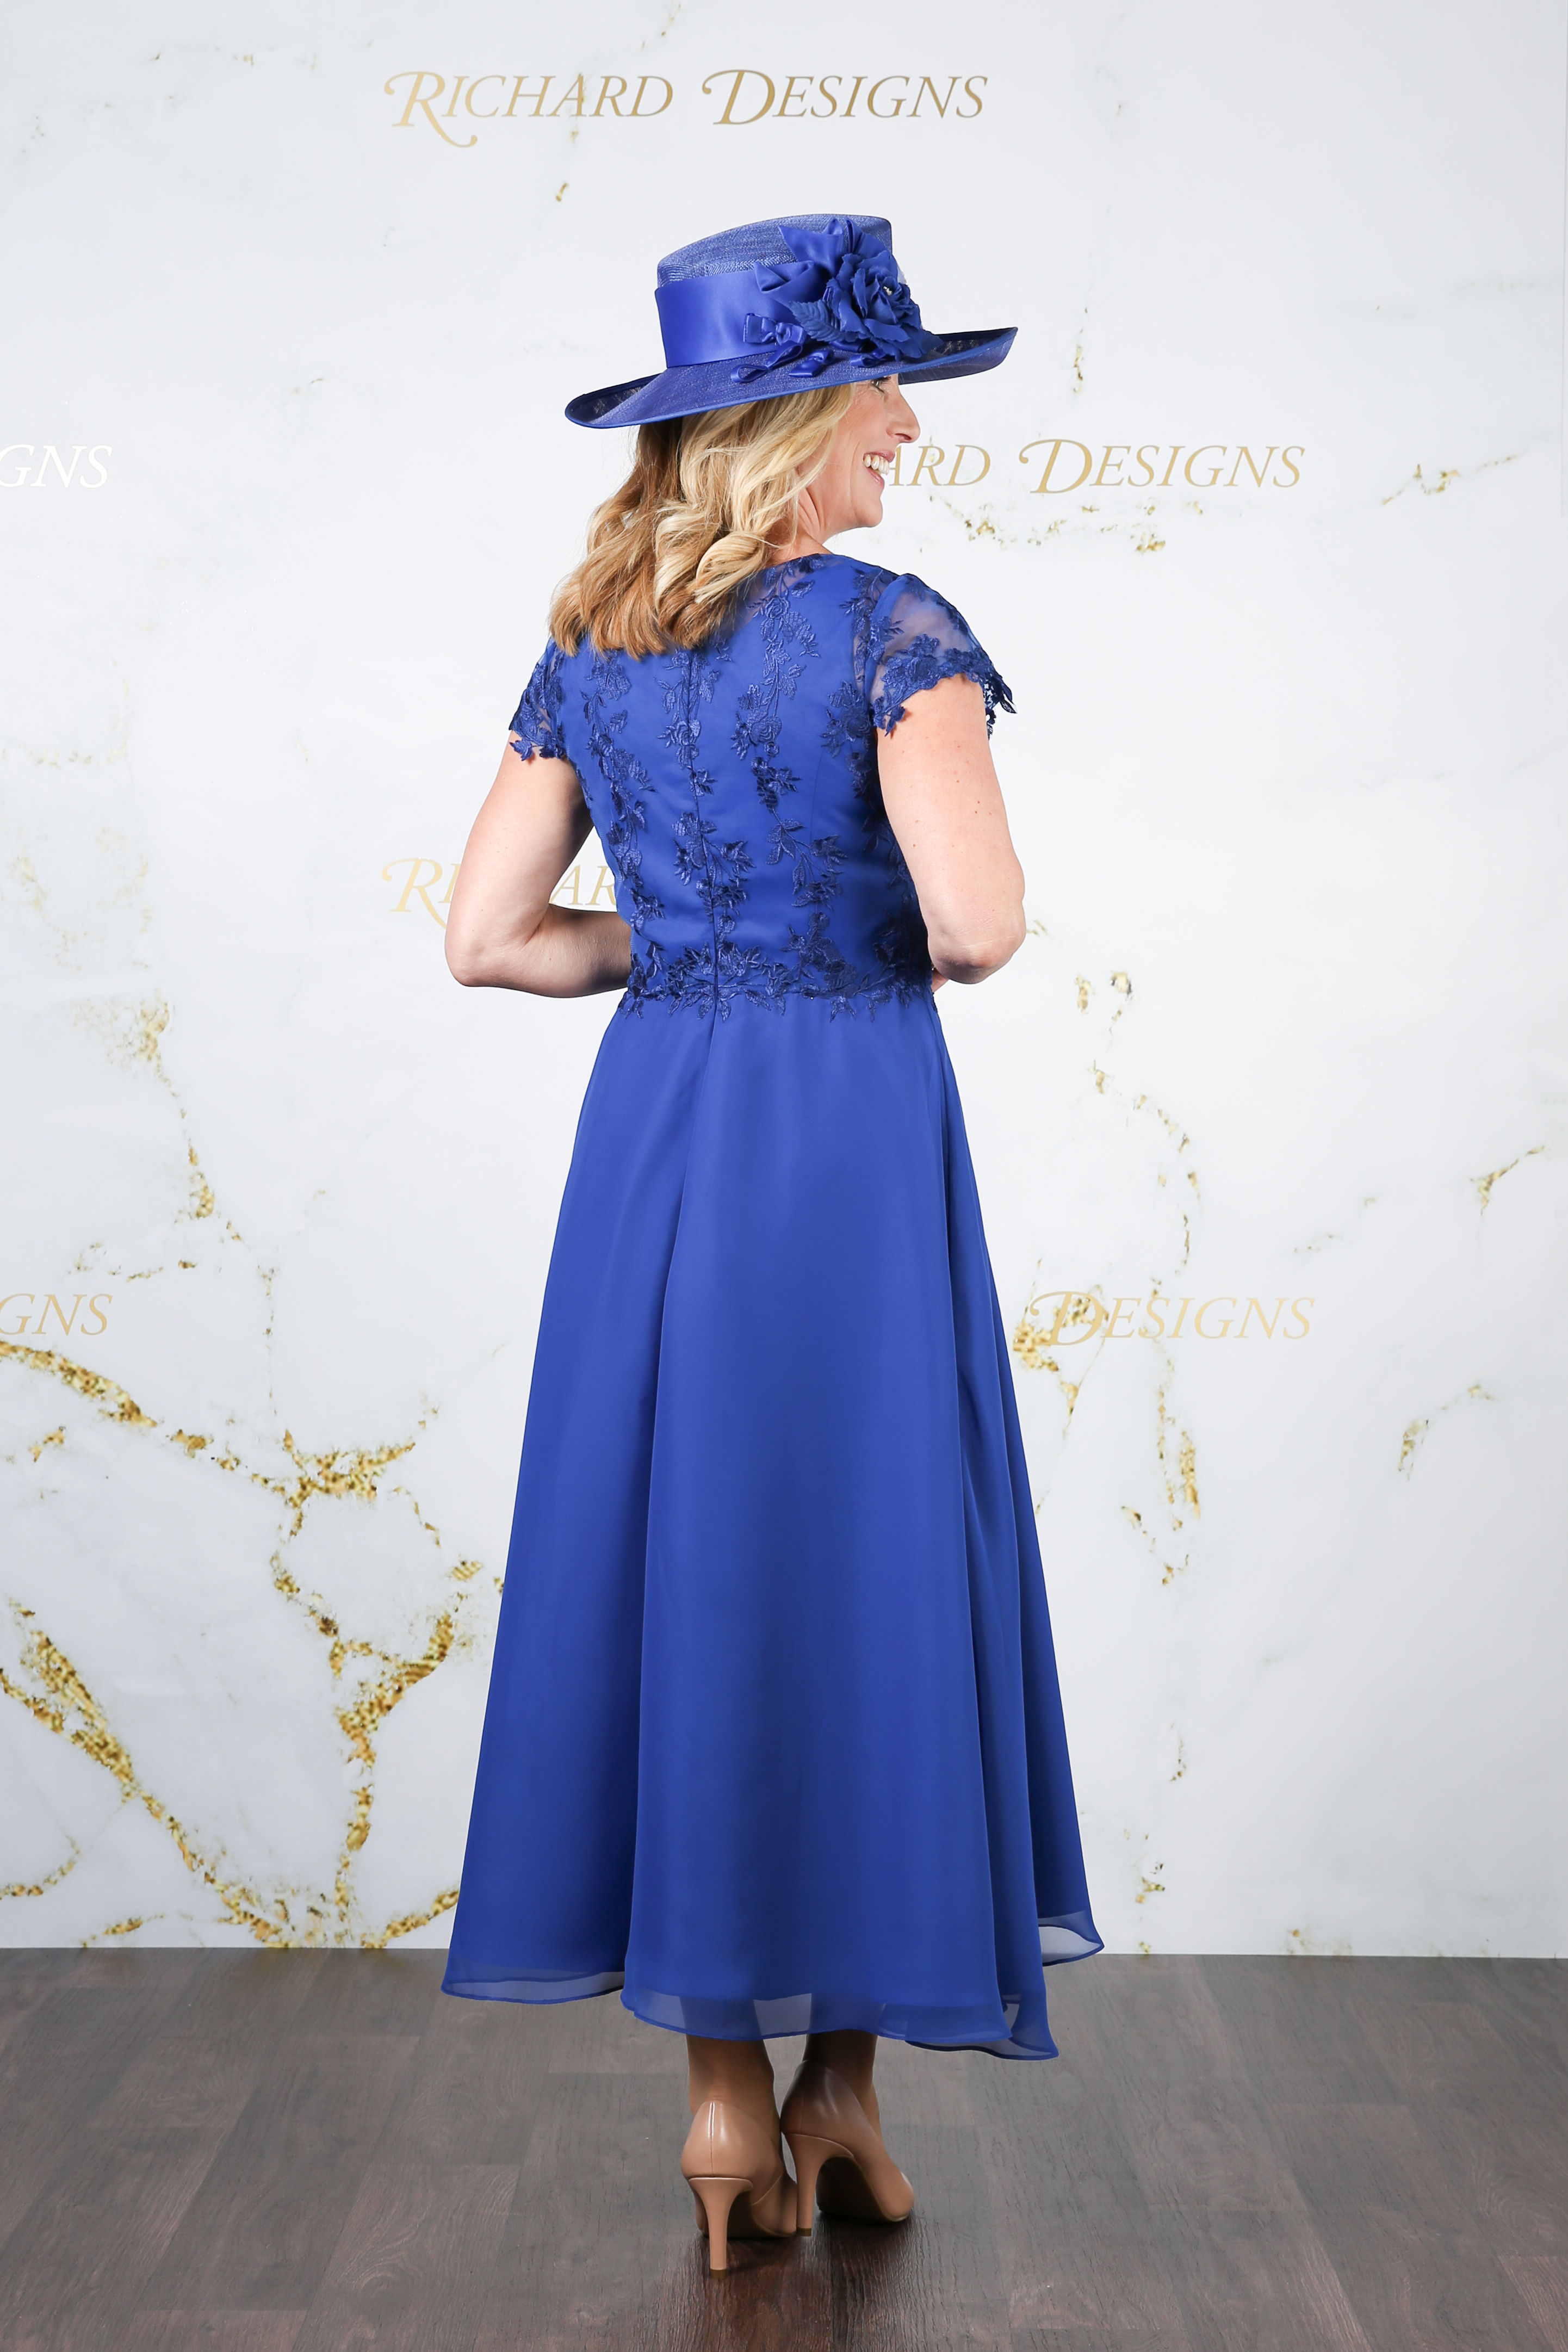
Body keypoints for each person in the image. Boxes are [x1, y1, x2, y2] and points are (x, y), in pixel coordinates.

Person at [440, 214, 1101, 2275]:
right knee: (872, 1559)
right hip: (845, 1144)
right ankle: (842, 2089)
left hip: (661, 1137)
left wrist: (694, 950)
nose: (909, 422)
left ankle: (726, 2102)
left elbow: (487, 940)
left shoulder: (592, 643)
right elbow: (978, 929)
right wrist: (831, 937)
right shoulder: (896, 632)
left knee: (689, 1557)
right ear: (800, 417)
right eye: (887, 385)